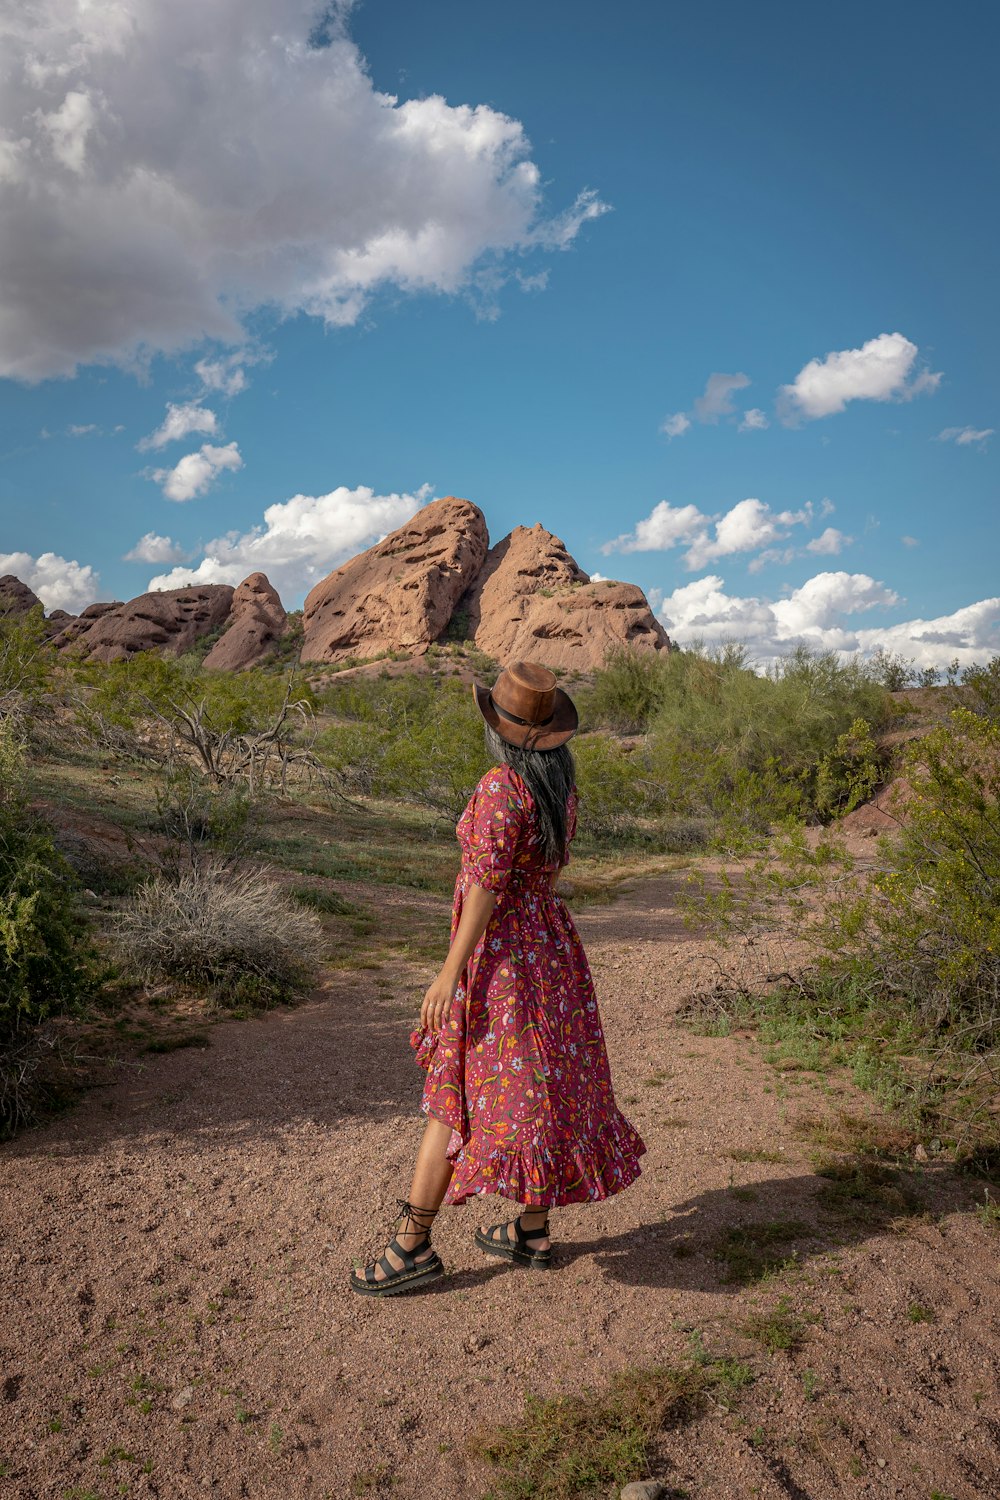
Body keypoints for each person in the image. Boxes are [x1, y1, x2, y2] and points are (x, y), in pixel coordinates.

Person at [350, 660, 646, 1296]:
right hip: (550, 949)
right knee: (545, 1082)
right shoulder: (557, 787)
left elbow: (486, 884)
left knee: (452, 1089)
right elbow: (544, 874)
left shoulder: (500, 787)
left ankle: (411, 1247)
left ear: (500, 729)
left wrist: (448, 973)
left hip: (501, 960)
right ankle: (531, 1233)